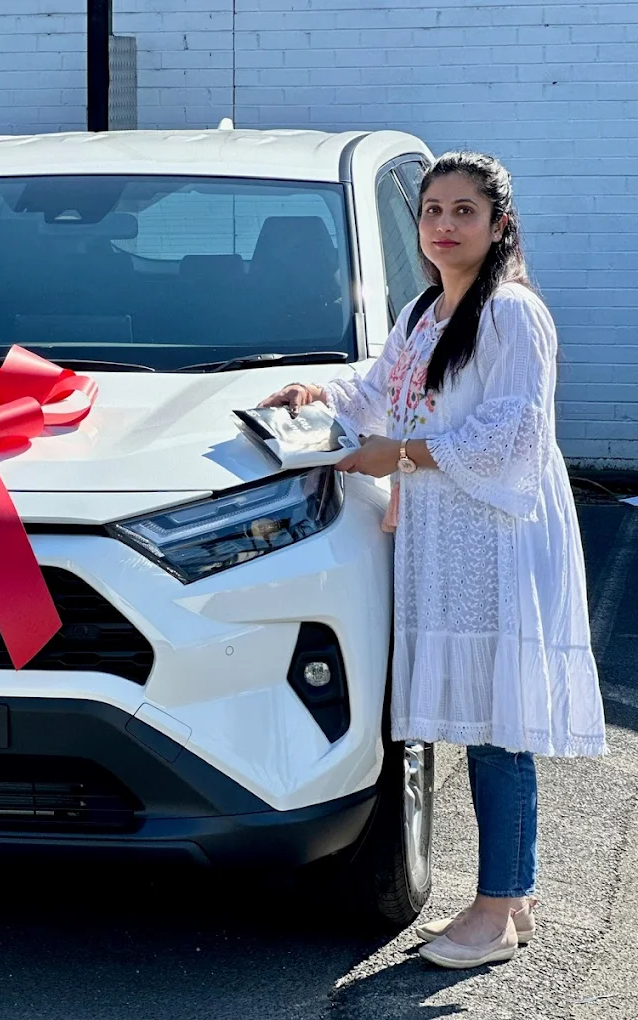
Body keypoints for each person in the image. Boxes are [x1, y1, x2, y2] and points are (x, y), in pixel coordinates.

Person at [262, 151, 605, 969]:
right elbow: (382, 389)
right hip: (444, 536)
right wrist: (317, 395)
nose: (444, 226)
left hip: (496, 539)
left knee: (496, 727)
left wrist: (403, 455)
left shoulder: (512, 313)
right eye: (432, 211)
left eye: (463, 211)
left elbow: (514, 433)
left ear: (499, 225)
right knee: (486, 721)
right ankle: (512, 898)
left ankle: (495, 910)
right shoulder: (424, 308)